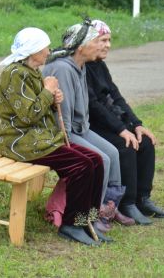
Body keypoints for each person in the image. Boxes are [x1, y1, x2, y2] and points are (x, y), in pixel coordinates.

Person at [0, 27, 106, 246]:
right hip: (20, 141)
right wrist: (47, 91)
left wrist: (53, 96)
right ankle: (71, 224)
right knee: (81, 165)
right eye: (44, 47)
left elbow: (38, 107)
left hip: (39, 138)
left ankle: (86, 221)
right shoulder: (14, 74)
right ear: (33, 50)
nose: (48, 52)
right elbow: (27, 116)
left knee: (95, 160)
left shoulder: (32, 70)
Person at [86, 20, 164, 225]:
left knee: (145, 141)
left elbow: (116, 96)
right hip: (93, 125)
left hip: (110, 121)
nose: (108, 45)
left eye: (109, 40)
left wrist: (136, 124)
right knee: (126, 145)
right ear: (89, 42)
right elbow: (94, 106)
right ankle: (127, 203)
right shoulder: (84, 68)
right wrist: (122, 129)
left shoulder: (100, 65)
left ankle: (143, 199)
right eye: (103, 40)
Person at [42, 20, 123, 219]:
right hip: (60, 134)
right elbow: (63, 125)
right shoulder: (63, 68)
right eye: (97, 41)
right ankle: (88, 215)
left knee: (112, 152)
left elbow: (82, 112)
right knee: (101, 159)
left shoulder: (81, 65)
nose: (104, 46)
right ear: (81, 47)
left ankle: (107, 207)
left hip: (79, 128)